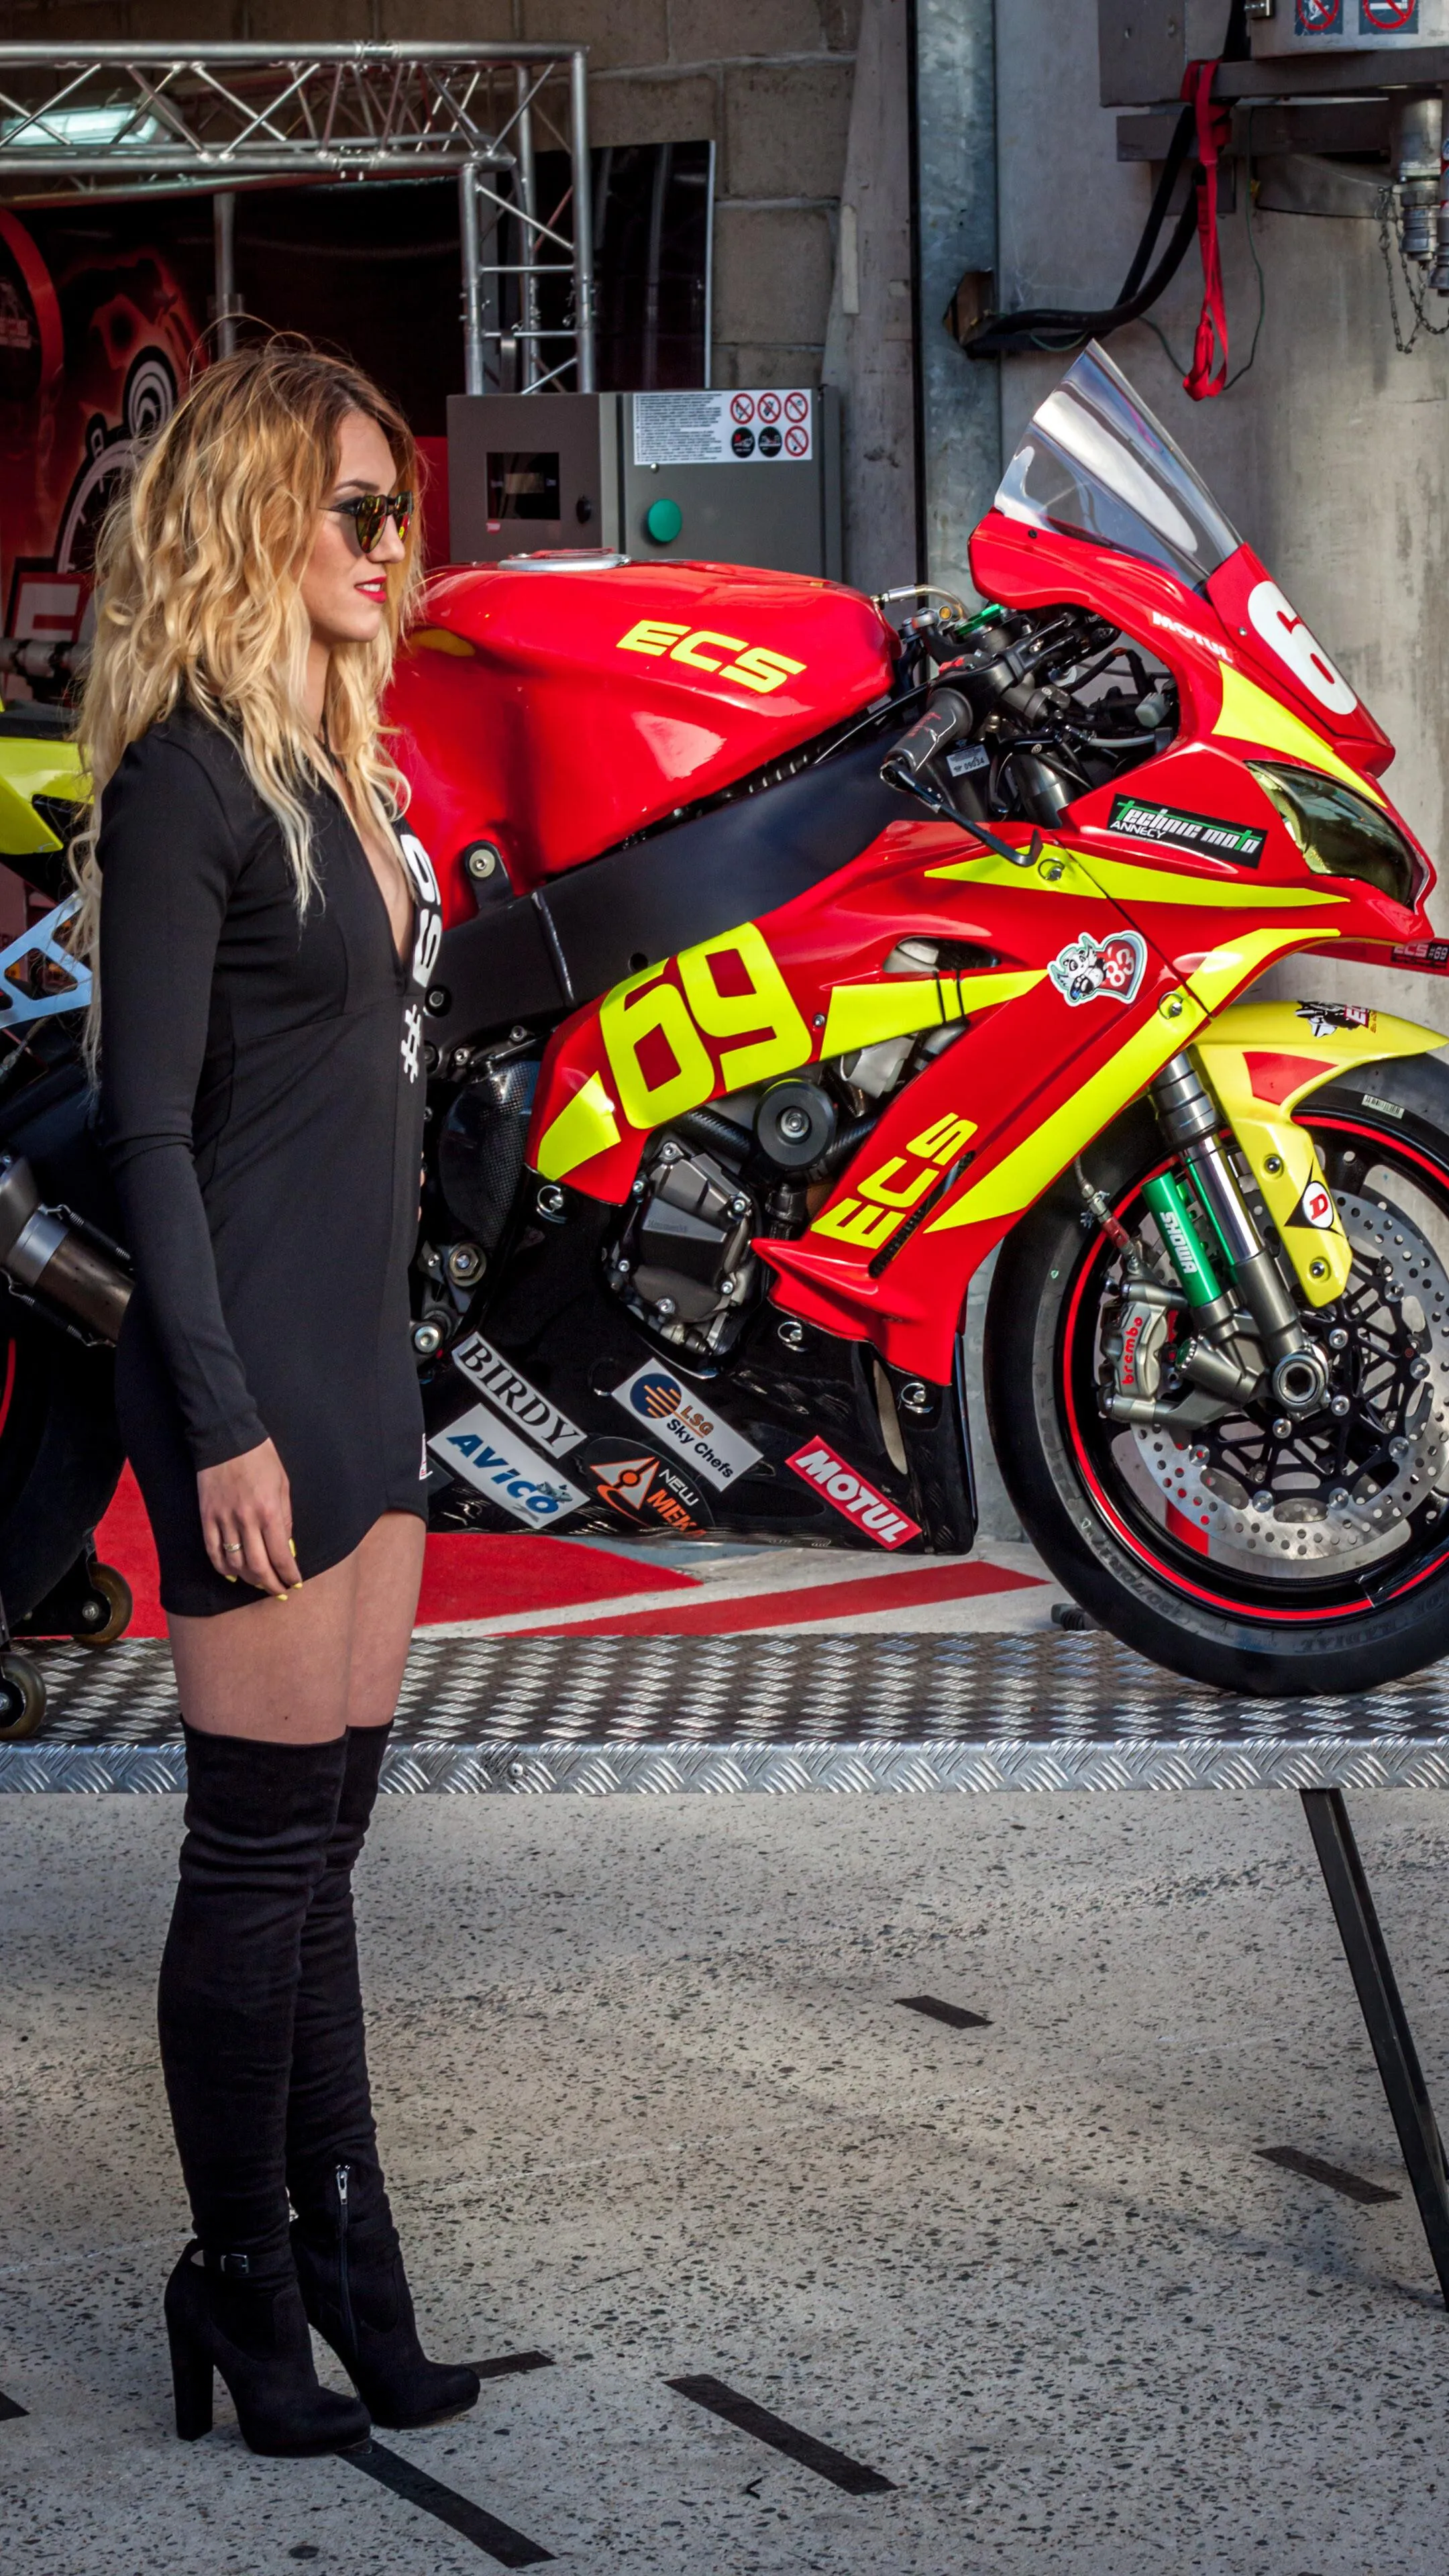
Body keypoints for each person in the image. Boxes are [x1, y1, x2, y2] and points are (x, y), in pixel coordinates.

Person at [72, 342, 480, 2457]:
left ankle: (354, 2284)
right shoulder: (184, 786)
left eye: (400, 506)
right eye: (354, 508)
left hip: (363, 1369)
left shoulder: (353, 783)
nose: (392, 544)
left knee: (319, 1864)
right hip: (240, 1377)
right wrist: (219, 1420)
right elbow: (149, 1137)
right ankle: (237, 2284)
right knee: (250, 1867)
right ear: (251, 523)